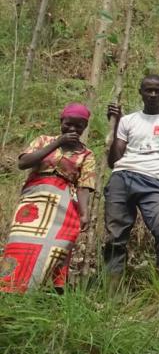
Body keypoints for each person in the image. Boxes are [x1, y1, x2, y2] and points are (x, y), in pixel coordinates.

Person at [103, 75, 159, 290]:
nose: (152, 95)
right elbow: (114, 161)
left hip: (153, 183)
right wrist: (115, 126)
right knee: (115, 237)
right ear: (140, 92)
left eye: (157, 91)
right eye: (148, 90)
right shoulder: (128, 121)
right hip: (122, 178)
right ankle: (112, 295)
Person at [2, 103, 97, 293]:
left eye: (79, 126)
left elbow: (84, 185)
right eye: (68, 124)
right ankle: (10, 288)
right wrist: (57, 143)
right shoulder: (43, 140)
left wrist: (84, 213)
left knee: (58, 247)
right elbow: (23, 163)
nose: (73, 129)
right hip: (34, 201)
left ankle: (44, 292)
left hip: (65, 205)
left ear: (84, 128)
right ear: (61, 122)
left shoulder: (86, 154)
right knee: (20, 242)